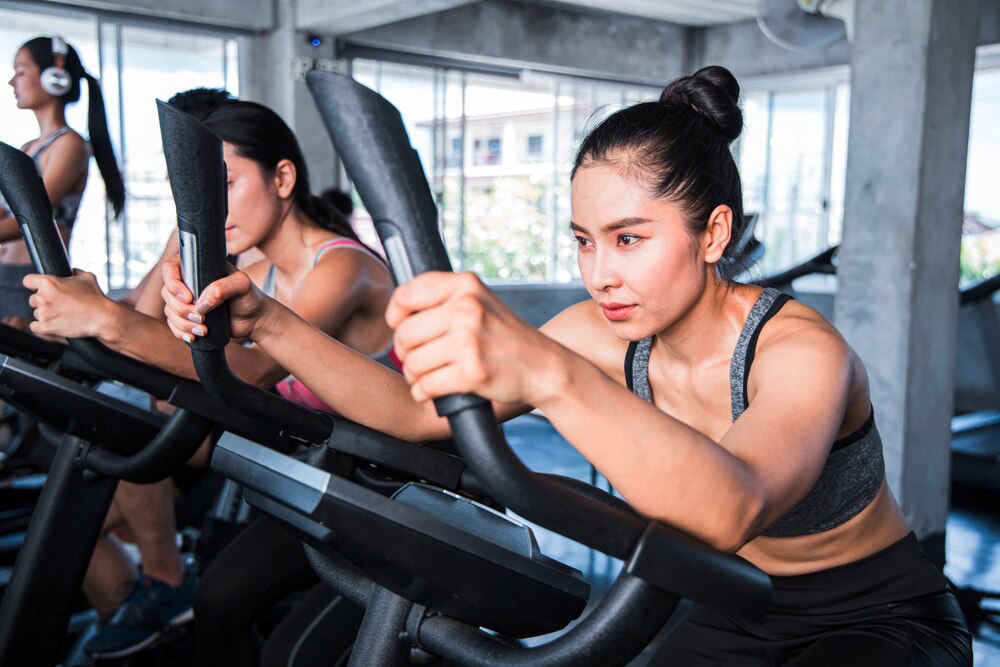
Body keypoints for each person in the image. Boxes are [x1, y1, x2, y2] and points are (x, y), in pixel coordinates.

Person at [163, 66, 973, 665]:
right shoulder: (604, 329)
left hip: (876, 615)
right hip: (731, 603)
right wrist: (265, 321)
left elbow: (735, 505)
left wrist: (545, 370)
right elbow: (414, 411)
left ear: (714, 233)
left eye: (629, 238)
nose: (599, 273)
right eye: (584, 241)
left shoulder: (801, 350)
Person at [26, 99, 395, 659]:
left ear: (284, 177)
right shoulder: (256, 271)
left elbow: (249, 369)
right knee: (80, 527)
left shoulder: (344, 266)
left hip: (382, 486)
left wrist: (105, 317)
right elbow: (164, 334)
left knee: (226, 606)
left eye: (224, 183)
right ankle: (147, 622)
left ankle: (168, 596)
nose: (212, 206)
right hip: (307, 467)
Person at [1, 35, 124, 328]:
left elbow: (31, 216)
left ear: (54, 76)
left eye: (20, 71)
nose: (11, 83)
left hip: (30, 280)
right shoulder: (26, 148)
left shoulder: (70, 144)